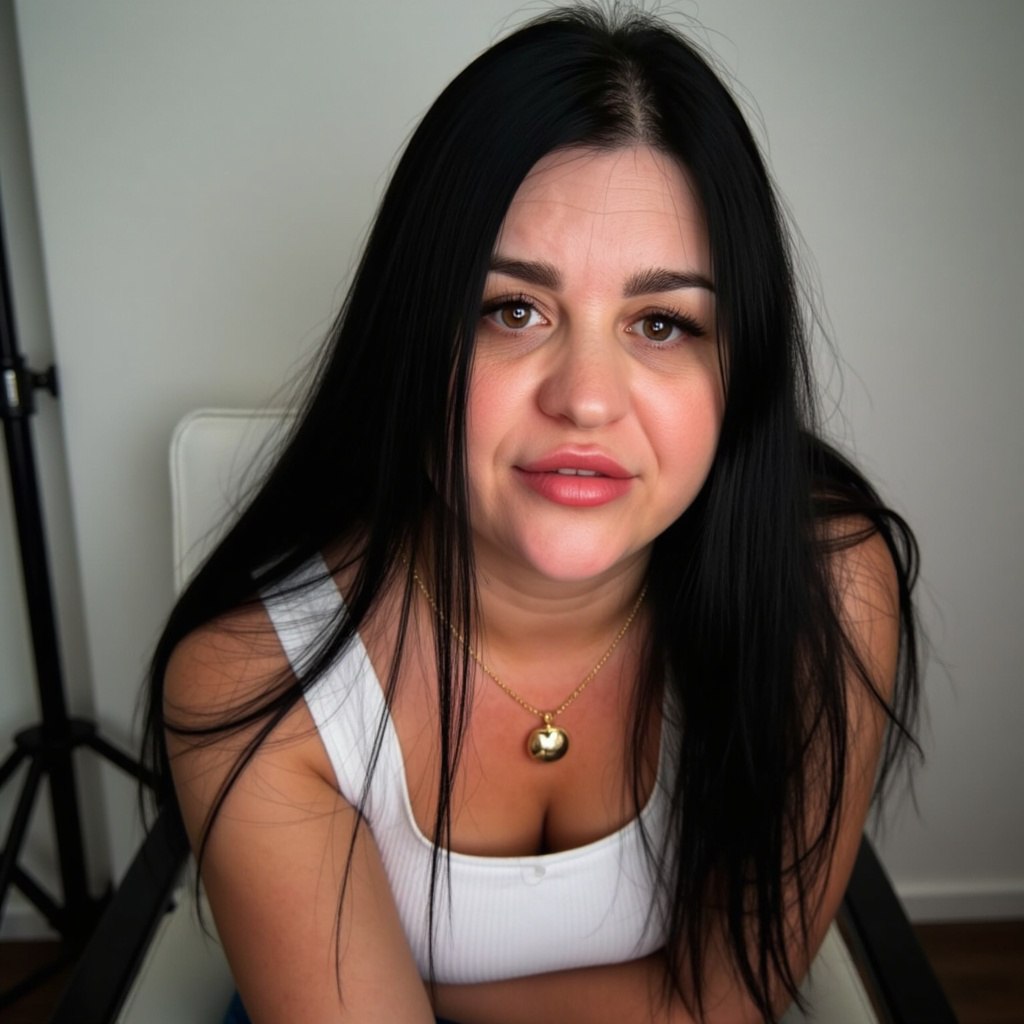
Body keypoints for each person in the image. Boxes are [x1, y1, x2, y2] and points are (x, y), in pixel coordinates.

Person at [144, 6, 920, 1022]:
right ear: (412, 338)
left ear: (740, 371)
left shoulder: (828, 580)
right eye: (512, 309)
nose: (586, 399)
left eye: (662, 322)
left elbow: (729, 1000)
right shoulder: (253, 680)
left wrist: (430, 992)